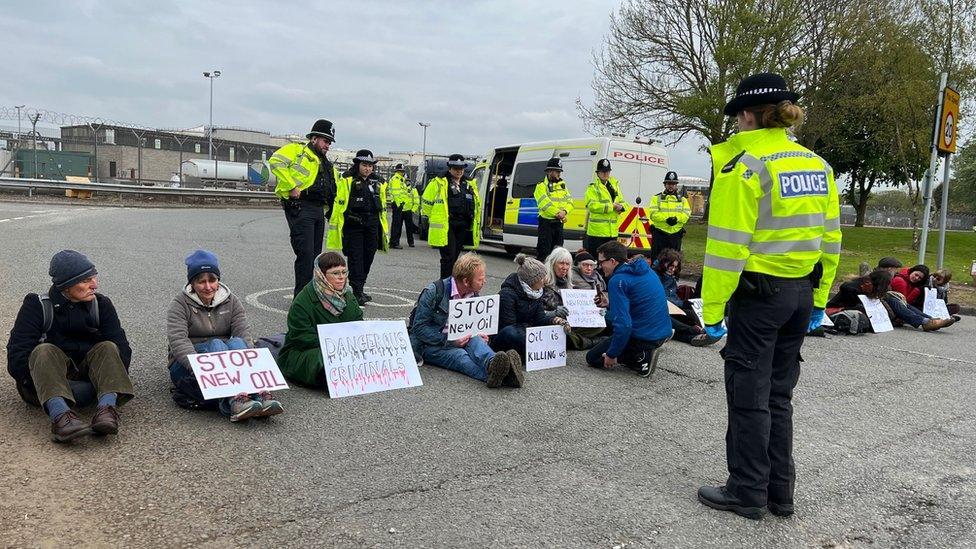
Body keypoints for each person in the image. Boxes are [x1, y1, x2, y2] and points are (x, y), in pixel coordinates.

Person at [697, 73, 842, 520]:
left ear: (747, 115)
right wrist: (819, 300)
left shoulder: (744, 166)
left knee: (748, 395)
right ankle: (781, 492)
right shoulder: (818, 166)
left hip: (759, 297)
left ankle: (747, 491)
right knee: (779, 396)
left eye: (736, 116)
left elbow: (727, 247)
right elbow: (831, 241)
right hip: (800, 294)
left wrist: (714, 310)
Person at [6, 250, 134, 442]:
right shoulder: (37, 305)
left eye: (94, 278)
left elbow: (122, 351)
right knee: (43, 350)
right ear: (66, 286)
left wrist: (104, 379)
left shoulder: (102, 305)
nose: (94, 285)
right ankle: (60, 417)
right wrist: (43, 383)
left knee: (108, 347)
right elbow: (17, 355)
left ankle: (106, 410)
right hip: (46, 381)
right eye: (86, 281)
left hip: (90, 380)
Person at [167, 250, 283, 421]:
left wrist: (253, 367)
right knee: (217, 344)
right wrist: (200, 368)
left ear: (218, 280)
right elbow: (178, 341)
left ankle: (258, 394)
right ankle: (235, 401)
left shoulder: (231, 301)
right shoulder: (179, 304)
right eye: (201, 282)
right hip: (187, 364)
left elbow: (244, 333)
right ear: (192, 283)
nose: (208, 287)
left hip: (223, 362)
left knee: (237, 341)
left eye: (212, 280)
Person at [409, 252, 522, 388]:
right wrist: (451, 341)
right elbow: (419, 329)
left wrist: (481, 334)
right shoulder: (434, 291)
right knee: (460, 356)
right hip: (430, 345)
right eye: (480, 279)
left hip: (461, 338)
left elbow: (472, 325)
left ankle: (493, 363)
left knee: (477, 342)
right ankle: (503, 376)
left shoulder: (473, 294)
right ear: (466, 281)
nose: (484, 281)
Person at [269, 119, 341, 297]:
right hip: (301, 207)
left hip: (317, 209)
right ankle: (301, 298)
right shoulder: (297, 150)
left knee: (315, 257)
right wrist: (291, 186)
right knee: (306, 255)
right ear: (314, 138)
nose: (328, 146)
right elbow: (275, 161)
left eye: (330, 142)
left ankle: (310, 294)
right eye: (325, 141)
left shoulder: (325, 163)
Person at [278, 252, 364, 390]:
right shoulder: (302, 302)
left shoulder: (348, 296)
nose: (342, 277)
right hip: (306, 351)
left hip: (341, 347)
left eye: (344, 272)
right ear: (322, 275)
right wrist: (335, 343)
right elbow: (301, 337)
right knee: (325, 359)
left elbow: (359, 323)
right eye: (335, 273)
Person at [586, 241, 673, 377]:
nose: (600, 266)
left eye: (601, 262)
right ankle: (640, 350)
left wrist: (612, 354)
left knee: (593, 358)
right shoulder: (645, 270)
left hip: (645, 336)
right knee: (608, 317)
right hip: (662, 330)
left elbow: (624, 325)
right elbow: (637, 304)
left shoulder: (618, 280)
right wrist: (609, 303)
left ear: (613, 261)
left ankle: (641, 356)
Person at [326, 149, 389, 306]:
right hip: (354, 227)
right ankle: (356, 291)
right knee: (356, 260)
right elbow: (339, 202)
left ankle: (359, 288)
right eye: (364, 165)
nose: (367, 168)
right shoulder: (347, 180)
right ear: (357, 165)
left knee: (368, 258)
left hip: (372, 226)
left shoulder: (378, 183)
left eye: (370, 166)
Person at [492, 254, 571, 358]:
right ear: (532, 280)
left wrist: (555, 320)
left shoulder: (536, 292)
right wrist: (532, 333)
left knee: (560, 332)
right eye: (542, 278)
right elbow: (508, 326)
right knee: (511, 332)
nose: (545, 280)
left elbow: (540, 319)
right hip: (504, 336)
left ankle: (529, 354)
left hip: (525, 331)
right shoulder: (507, 294)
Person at [422, 154, 482, 279]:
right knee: (448, 257)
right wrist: (430, 217)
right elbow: (426, 202)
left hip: (463, 225)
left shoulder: (469, 184)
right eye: (455, 168)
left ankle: (452, 285)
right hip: (447, 225)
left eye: (461, 168)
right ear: (450, 168)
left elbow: (475, 203)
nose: (459, 171)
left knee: (455, 258)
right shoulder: (438, 182)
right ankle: (444, 285)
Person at [651, 250, 718, 347]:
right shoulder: (656, 276)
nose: (673, 269)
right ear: (664, 263)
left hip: (671, 307)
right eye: (671, 266)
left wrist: (683, 303)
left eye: (675, 267)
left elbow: (673, 296)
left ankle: (698, 332)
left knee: (689, 314)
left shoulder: (670, 277)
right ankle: (694, 332)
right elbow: (662, 297)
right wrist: (681, 304)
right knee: (672, 322)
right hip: (659, 309)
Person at [541, 247, 603, 350]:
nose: (565, 267)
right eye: (561, 263)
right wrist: (554, 313)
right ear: (552, 263)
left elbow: (579, 305)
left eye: (567, 264)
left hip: (569, 321)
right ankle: (593, 342)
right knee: (563, 335)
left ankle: (579, 340)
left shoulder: (568, 281)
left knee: (601, 324)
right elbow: (536, 311)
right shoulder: (543, 281)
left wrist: (597, 311)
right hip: (551, 322)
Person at [584, 158, 627, 256]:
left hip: (612, 233)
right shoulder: (592, 188)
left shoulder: (614, 186)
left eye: (607, 171)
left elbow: (624, 202)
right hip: (597, 233)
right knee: (596, 260)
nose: (605, 174)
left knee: (610, 261)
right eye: (602, 172)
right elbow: (592, 206)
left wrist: (622, 207)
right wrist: (612, 206)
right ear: (598, 173)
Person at [534, 158, 575, 261]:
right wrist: (558, 213)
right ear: (549, 171)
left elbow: (570, 202)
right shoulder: (541, 186)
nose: (559, 174)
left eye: (559, 171)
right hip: (546, 224)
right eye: (557, 171)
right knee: (544, 253)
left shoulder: (563, 186)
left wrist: (565, 212)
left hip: (558, 224)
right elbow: (544, 204)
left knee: (558, 254)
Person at [648, 171, 692, 259]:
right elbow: (653, 214)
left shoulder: (683, 200)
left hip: (675, 236)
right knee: (657, 261)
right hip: (660, 234)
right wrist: (666, 219)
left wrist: (676, 219)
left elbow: (686, 214)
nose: (671, 185)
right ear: (665, 184)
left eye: (673, 183)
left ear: (676, 185)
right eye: (668, 183)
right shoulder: (656, 198)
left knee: (674, 262)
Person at [389, 164, 419, 249]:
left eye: (403, 171)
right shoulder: (396, 179)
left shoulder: (401, 180)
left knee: (398, 225)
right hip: (398, 204)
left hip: (403, 206)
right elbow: (396, 193)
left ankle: (394, 242)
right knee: (396, 225)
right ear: (398, 171)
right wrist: (399, 204)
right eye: (401, 171)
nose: (402, 173)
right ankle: (394, 243)